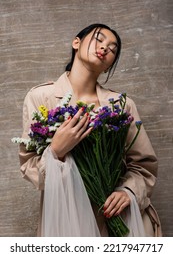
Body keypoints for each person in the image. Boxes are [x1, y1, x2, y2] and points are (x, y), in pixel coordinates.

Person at [19, 23, 162, 237]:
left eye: (113, 49)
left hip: (122, 219)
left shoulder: (121, 105)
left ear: (108, 66)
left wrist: (129, 191)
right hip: (68, 219)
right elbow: (29, 166)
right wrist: (56, 152)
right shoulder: (41, 98)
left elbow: (143, 166)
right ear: (76, 42)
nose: (105, 48)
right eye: (99, 39)